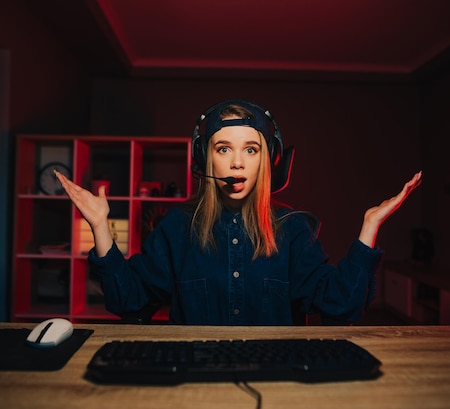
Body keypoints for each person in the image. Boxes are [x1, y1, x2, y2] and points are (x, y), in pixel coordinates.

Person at [55, 100, 422, 325]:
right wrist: (101, 226)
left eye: (250, 149)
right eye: (223, 149)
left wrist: (369, 227)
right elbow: (128, 301)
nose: (236, 163)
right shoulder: (178, 227)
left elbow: (342, 308)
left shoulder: (293, 230)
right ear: (204, 158)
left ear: (268, 160)